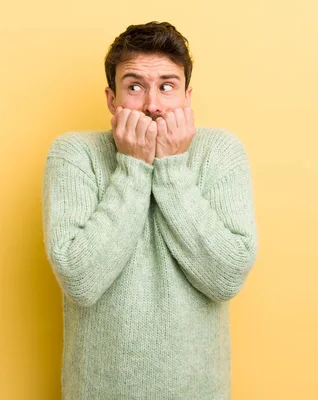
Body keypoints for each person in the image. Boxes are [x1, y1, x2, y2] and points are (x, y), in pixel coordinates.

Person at [42, 21, 258, 399]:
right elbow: (80, 280)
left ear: (187, 96)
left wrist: (172, 169)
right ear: (112, 98)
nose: (153, 104)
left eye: (167, 86)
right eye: (135, 86)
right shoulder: (74, 155)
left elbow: (226, 277)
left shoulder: (220, 152)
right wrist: (133, 166)